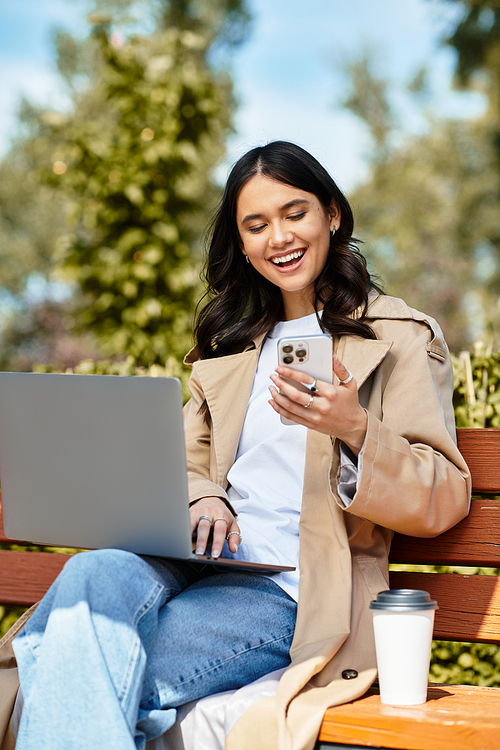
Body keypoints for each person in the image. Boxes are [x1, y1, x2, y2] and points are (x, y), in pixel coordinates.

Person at [0, 141, 471, 750]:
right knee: (93, 568)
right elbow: (188, 463)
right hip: (194, 563)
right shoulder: (230, 349)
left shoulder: (397, 336)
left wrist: (355, 429)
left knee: (70, 666)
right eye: (257, 225)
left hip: (287, 592)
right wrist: (201, 498)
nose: (279, 236)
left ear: (331, 214)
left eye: (294, 213)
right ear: (243, 246)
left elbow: (444, 495)